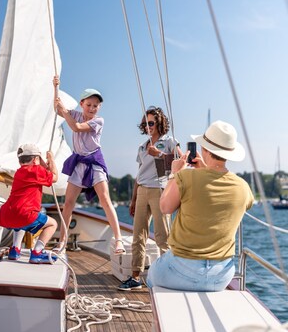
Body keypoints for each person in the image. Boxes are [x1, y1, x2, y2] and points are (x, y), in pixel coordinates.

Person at [147, 120, 255, 291]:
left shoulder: (185, 177)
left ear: (204, 150)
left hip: (180, 269)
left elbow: (165, 207)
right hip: (221, 275)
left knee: (151, 276)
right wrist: (205, 171)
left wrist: (175, 174)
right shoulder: (243, 187)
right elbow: (217, 192)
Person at [53, 75, 125, 254]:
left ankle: (119, 241)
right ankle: (62, 241)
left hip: (94, 162)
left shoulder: (98, 121)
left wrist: (65, 112)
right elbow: (57, 108)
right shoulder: (75, 114)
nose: (92, 108)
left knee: (106, 200)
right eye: (89, 104)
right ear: (81, 103)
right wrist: (56, 87)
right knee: (68, 203)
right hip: (79, 162)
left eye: (96, 105)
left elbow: (76, 127)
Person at [118, 106, 181, 291]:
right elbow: (139, 174)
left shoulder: (169, 141)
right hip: (143, 191)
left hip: (160, 190)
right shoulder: (142, 147)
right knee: (138, 236)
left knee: (163, 237)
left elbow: (180, 161)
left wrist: (159, 154)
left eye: (151, 123)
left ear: (160, 123)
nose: (148, 126)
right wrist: (133, 198)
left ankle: (169, 277)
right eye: (145, 124)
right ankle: (136, 277)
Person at [0, 143, 59, 264]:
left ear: (20, 161)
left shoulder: (19, 172)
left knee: (20, 224)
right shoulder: (36, 170)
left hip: (8, 213)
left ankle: (15, 249)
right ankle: (37, 253)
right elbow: (55, 177)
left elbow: (43, 173)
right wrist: (51, 160)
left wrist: (40, 163)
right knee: (53, 224)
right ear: (36, 159)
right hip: (24, 214)